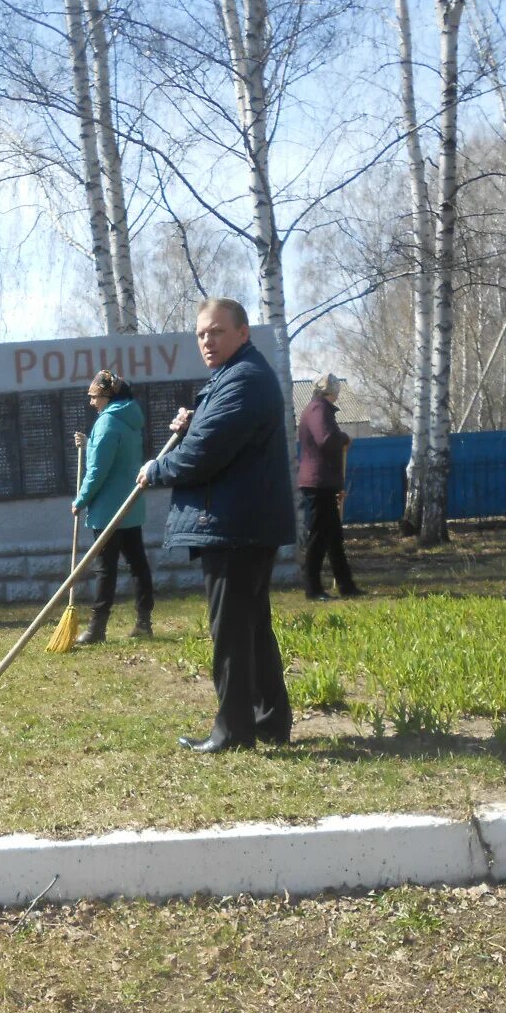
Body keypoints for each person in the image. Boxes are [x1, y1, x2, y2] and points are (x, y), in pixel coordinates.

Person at [137, 298, 297, 753]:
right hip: (240, 522)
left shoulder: (244, 380)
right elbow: (216, 439)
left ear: (243, 333)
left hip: (235, 525)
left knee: (230, 630)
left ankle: (232, 731)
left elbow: (204, 456)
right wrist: (192, 425)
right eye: (201, 334)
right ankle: (269, 721)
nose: (207, 340)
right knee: (250, 626)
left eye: (217, 332)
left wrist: (158, 468)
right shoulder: (232, 377)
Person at [72, 370, 155, 644]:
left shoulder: (107, 423)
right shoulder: (128, 419)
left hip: (109, 511)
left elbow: (97, 471)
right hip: (130, 506)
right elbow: (113, 454)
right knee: (137, 564)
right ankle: (144, 622)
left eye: (94, 397)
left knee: (105, 568)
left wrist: (80, 500)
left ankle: (97, 628)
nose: (91, 402)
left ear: (107, 396)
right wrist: (89, 443)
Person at [296, 372, 361, 601]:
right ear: (331, 391)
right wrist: (343, 438)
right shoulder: (318, 409)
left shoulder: (318, 408)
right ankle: (312, 589)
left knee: (333, 536)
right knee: (318, 536)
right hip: (317, 483)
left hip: (323, 481)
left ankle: (346, 585)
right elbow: (326, 440)